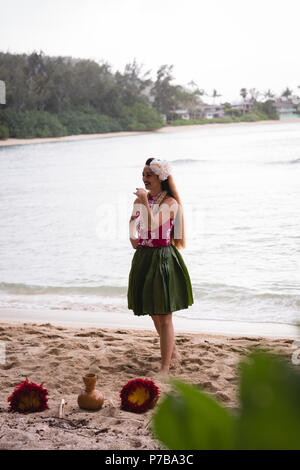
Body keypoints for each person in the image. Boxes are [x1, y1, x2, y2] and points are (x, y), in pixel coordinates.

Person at [127, 157, 194, 374]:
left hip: (163, 258)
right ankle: (172, 350)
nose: (144, 179)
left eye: (149, 175)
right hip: (144, 258)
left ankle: (165, 367)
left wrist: (144, 199)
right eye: (143, 174)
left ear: (160, 178)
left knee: (164, 316)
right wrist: (131, 236)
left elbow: (153, 223)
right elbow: (133, 219)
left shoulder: (170, 203)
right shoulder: (143, 198)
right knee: (154, 312)